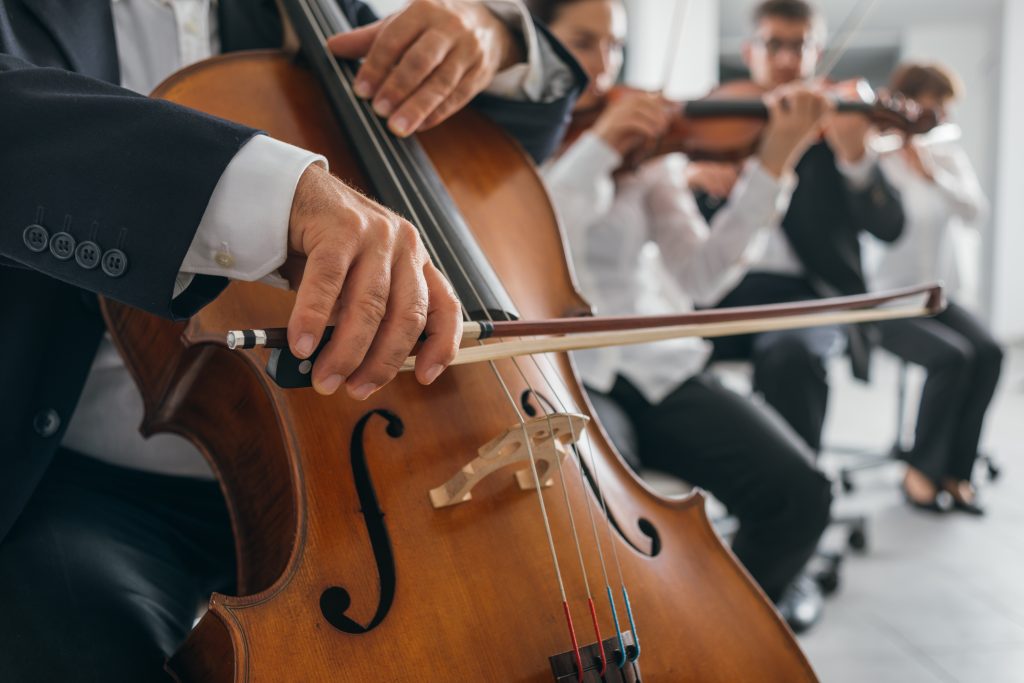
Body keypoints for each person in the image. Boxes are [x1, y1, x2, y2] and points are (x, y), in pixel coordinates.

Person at [0, 0, 584, 678]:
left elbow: (494, 154)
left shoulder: (297, 11)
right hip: (90, 479)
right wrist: (275, 197)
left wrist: (499, 38)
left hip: (357, 482)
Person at [530, 0, 835, 632]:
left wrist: (772, 164)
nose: (604, 64)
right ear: (538, 42)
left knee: (800, 494)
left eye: (614, 47)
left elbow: (701, 274)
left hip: (658, 364)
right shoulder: (509, 142)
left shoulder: (652, 152)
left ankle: (714, 632)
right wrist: (599, 145)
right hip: (567, 375)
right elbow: (532, 233)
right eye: (585, 43)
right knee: (608, 518)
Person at [701, 0, 906, 454]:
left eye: (801, 46)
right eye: (775, 45)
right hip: (713, 290)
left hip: (802, 296)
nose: (789, 60)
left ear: (819, 52)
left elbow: (890, 226)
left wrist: (856, 159)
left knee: (793, 359)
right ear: (749, 50)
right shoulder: (713, 122)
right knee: (654, 363)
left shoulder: (835, 129)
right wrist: (689, 176)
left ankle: (794, 492)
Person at [868, 63, 1002, 515]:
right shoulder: (878, 157)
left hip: (937, 296)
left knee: (990, 351)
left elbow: (974, 211)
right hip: (885, 301)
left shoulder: (946, 156)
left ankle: (956, 472)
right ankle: (920, 472)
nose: (940, 115)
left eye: (944, 108)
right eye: (933, 105)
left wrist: (932, 174)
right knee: (952, 357)